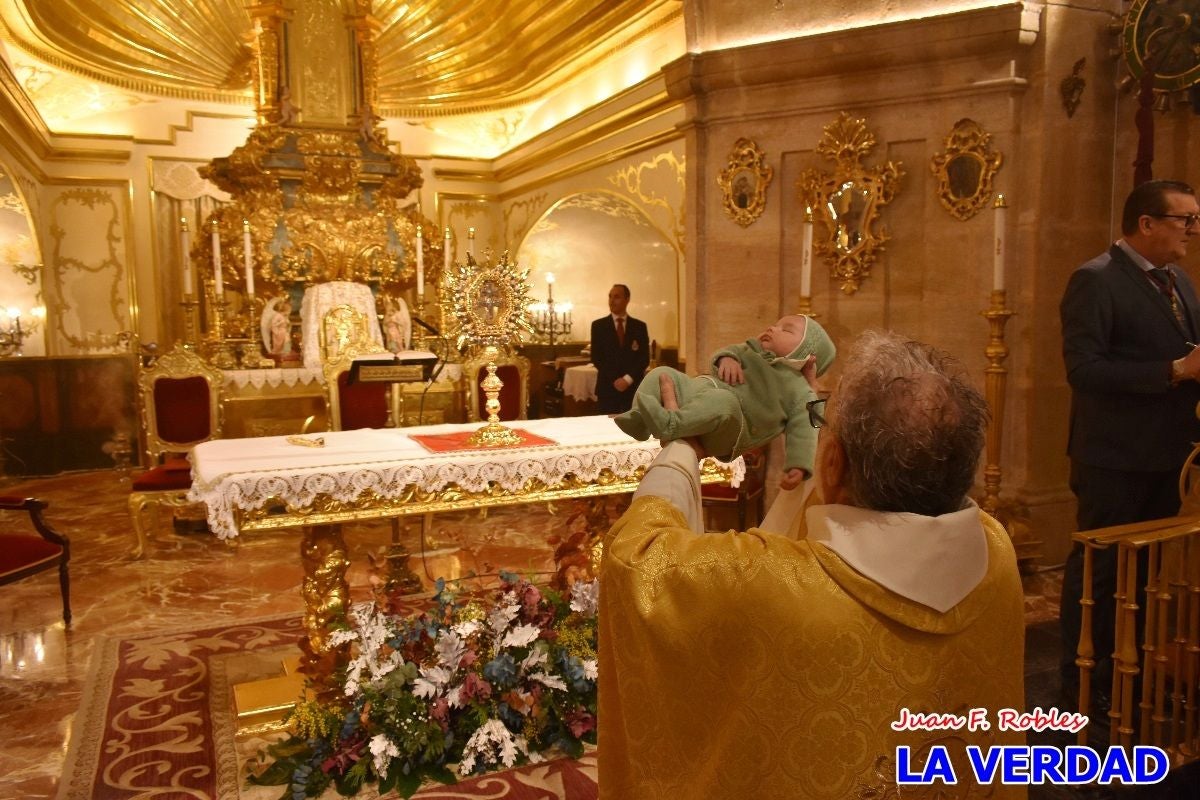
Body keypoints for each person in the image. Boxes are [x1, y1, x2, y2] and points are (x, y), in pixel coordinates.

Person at [599, 331, 1026, 799]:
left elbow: (637, 560)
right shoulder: (996, 552)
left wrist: (684, 444)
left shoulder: (770, 585)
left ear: (835, 464)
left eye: (822, 419)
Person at [1059, 179, 1200, 707]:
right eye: (1184, 219)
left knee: (1143, 576)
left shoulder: (1179, 280)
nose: (1192, 229)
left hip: (1169, 453)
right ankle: (1081, 682)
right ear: (1147, 223)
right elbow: (1085, 370)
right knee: (1098, 575)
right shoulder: (1095, 280)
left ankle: (1130, 671)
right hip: (1114, 457)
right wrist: (1173, 370)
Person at [613, 314, 834, 487]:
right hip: (701, 393)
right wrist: (727, 358)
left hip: (732, 427)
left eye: (786, 330)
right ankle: (639, 419)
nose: (773, 328)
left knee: (724, 402)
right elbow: (726, 351)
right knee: (663, 373)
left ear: (807, 353)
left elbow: (806, 425)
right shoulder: (750, 349)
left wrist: (799, 464)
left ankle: (672, 424)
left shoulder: (798, 388)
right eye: (775, 324)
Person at [590, 284, 649, 413]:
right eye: (610, 296)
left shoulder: (639, 327)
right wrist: (615, 380)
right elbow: (597, 357)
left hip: (632, 389)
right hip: (608, 389)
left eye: (616, 297)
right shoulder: (598, 326)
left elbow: (644, 358)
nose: (611, 300)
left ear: (627, 299)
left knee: (632, 430)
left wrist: (627, 380)